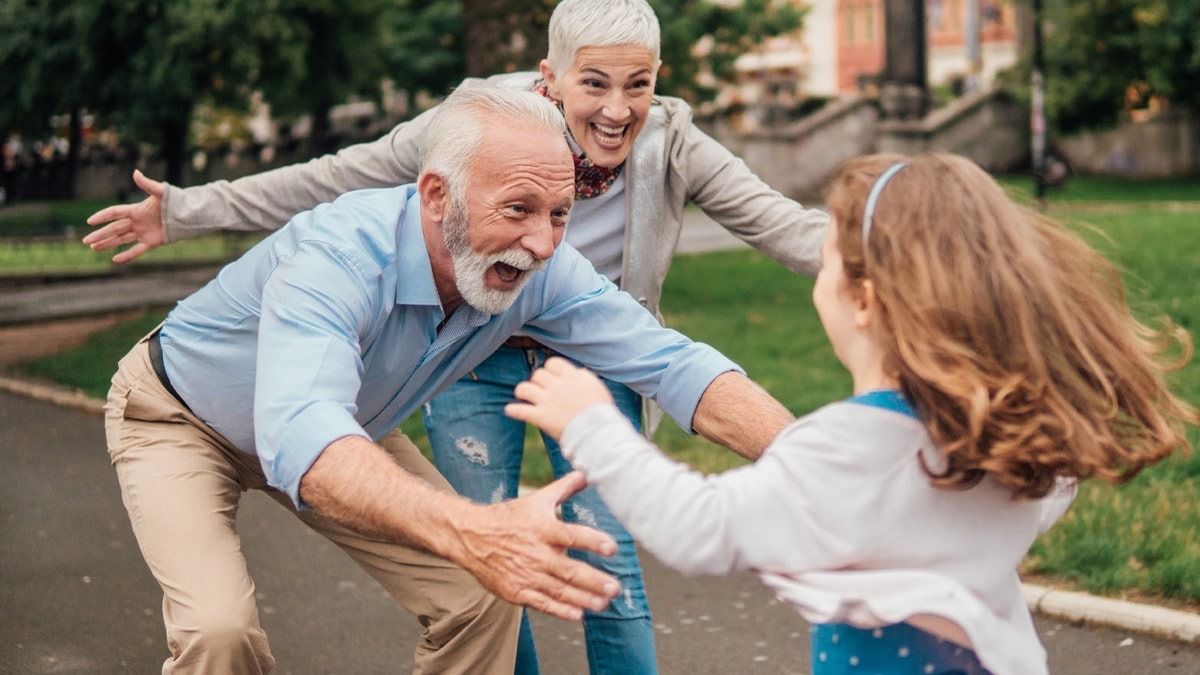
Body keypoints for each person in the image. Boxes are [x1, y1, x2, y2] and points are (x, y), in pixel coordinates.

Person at [84, 1, 826, 672]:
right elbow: (302, 433)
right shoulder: (340, 257)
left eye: (561, 215)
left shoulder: (546, 263)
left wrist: (819, 465)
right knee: (222, 630)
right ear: (437, 194)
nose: (541, 244)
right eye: (518, 210)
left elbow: (674, 365)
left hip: (349, 421)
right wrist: (472, 529)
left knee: (485, 594)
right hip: (183, 418)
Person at [505, 153, 1199, 675]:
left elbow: (698, 528)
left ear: (863, 299)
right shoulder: (1011, 438)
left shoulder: (848, 448)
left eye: (826, 259)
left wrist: (594, 422)